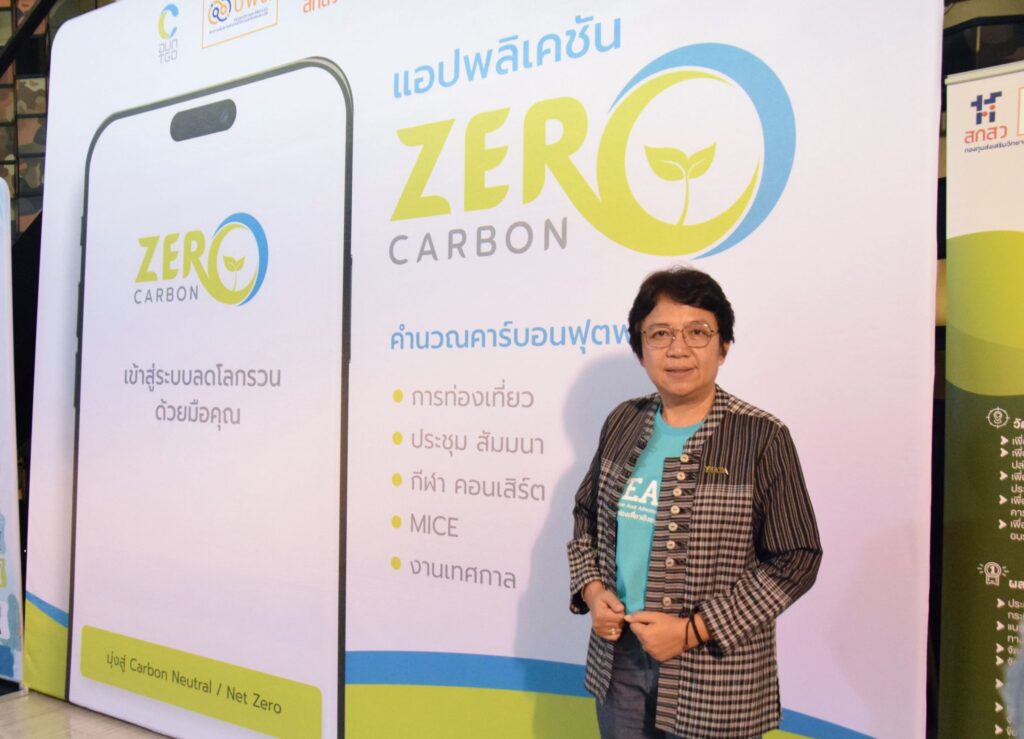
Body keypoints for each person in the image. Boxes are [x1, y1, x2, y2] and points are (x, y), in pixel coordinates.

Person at [567, 267, 822, 738]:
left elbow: (797, 558)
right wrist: (593, 590)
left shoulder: (760, 437)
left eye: (698, 332)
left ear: (723, 346)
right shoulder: (623, 421)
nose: (678, 349)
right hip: (619, 661)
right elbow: (586, 517)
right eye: (660, 333)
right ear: (640, 348)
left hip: (714, 673)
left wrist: (693, 630)